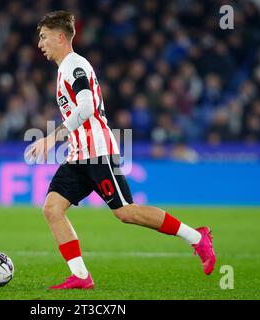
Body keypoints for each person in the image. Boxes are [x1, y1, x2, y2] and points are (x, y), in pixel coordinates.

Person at [26, 11, 216, 290]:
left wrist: (53, 137)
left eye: (43, 37)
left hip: (98, 151)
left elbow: (88, 105)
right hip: (78, 154)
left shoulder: (74, 66)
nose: (40, 44)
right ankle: (80, 276)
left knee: (126, 212)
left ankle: (198, 238)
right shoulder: (63, 69)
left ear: (60, 37)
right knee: (53, 209)